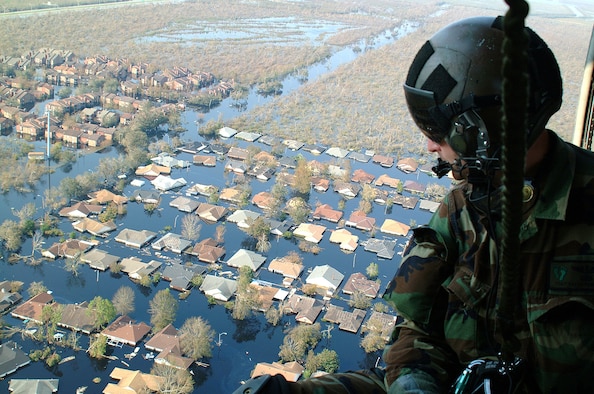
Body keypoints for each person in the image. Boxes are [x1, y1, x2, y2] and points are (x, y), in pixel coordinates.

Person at [233, 15, 594, 394]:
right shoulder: (462, 209)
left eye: (437, 133)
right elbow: (416, 327)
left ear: (478, 133)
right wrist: (414, 383)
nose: (430, 147)